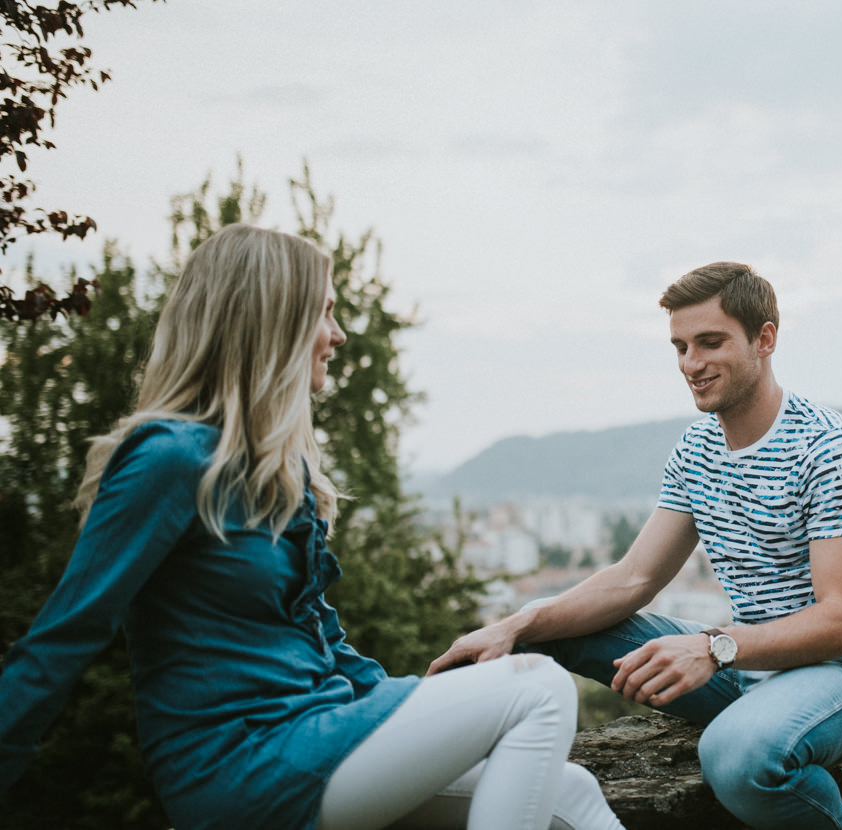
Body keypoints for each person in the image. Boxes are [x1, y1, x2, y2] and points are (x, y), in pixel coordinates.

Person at [0, 224, 624, 830]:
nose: (339, 334)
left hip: (318, 733)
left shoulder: (273, 467)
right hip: (242, 764)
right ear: (271, 321)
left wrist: (414, 706)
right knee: (538, 687)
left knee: (572, 794)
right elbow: (65, 635)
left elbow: (317, 636)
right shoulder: (169, 458)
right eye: (324, 312)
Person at [429, 262, 842, 830]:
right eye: (680, 346)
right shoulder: (697, 449)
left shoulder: (831, 450)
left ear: (765, 339)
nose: (691, 364)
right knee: (552, 630)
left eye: (709, 343)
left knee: (736, 757)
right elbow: (633, 578)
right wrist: (516, 625)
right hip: (748, 669)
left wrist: (711, 649)